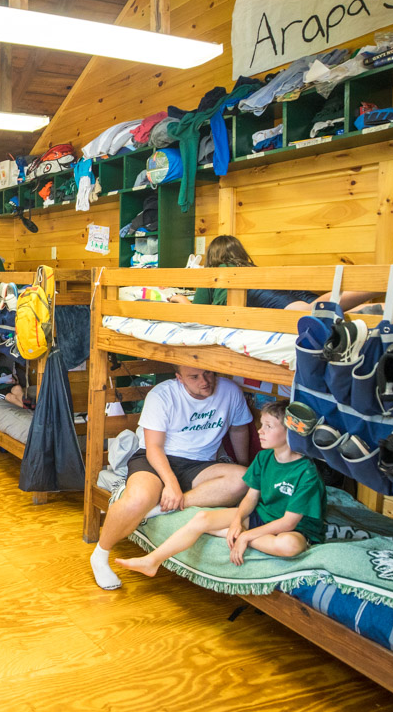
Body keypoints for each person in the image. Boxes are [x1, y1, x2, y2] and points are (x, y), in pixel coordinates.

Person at [117, 400, 326, 577]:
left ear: (290, 433)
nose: (260, 431)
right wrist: (237, 520)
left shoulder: (306, 472)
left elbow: (289, 522)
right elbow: (250, 498)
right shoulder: (264, 458)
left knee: (289, 546)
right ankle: (152, 561)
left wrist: (245, 536)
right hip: (262, 517)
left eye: (269, 427)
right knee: (201, 519)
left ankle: (242, 535)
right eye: (261, 425)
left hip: (293, 529)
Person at [90, 365, 254, 591]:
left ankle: (161, 508)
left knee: (246, 478)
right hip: (155, 458)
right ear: (179, 378)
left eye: (208, 373)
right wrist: (171, 484)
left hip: (200, 464)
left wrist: (244, 464)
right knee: (137, 499)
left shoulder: (229, 391)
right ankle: (100, 554)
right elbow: (154, 448)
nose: (204, 381)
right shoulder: (162, 395)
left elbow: (239, 429)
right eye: (194, 377)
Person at [169, 235, 376, 311]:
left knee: (310, 310)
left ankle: (373, 286)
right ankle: (385, 300)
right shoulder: (250, 268)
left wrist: (180, 299)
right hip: (273, 282)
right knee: (322, 309)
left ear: (213, 256)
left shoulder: (213, 273)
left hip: (250, 291)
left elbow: (197, 311)